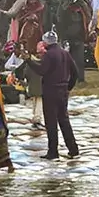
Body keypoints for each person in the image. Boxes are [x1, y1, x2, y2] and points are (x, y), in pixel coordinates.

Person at [27, 31, 80, 159]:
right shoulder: (65, 53)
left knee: (51, 122)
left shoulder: (49, 55)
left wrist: (29, 61)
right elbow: (75, 73)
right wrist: (68, 87)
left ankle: (53, 151)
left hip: (51, 91)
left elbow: (41, 70)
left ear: (46, 42)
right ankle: (73, 149)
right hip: (63, 91)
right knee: (64, 120)